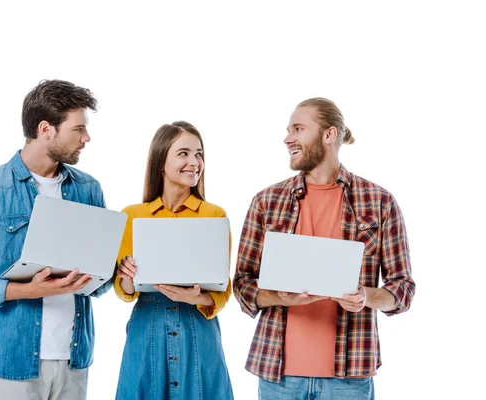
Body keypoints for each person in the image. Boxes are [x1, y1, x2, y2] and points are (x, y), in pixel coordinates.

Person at [233, 98, 416, 400]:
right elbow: (242, 283)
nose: (287, 138)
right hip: (279, 377)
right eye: (288, 130)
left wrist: (366, 296)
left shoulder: (379, 201)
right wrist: (279, 297)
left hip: (349, 378)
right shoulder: (267, 201)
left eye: (298, 128)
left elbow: (403, 288)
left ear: (329, 135)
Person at [0, 79, 111, 400]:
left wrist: (113, 273)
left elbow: (101, 282)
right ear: (45, 128)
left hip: (73, 359)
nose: (87, 138)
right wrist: (29, 290)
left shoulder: (88, 189)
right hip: (9, 360)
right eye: (78, 129)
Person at [114, 121, 234, 400]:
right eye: (184, 153)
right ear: (161, 161)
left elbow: (222, 289)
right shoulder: (132, 215)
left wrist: (195, 298)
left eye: (199, 154)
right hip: (148, 329)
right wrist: (127, 276)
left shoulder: (214, 215)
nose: (194, 162)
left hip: (198, 330)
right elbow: (125, 292)